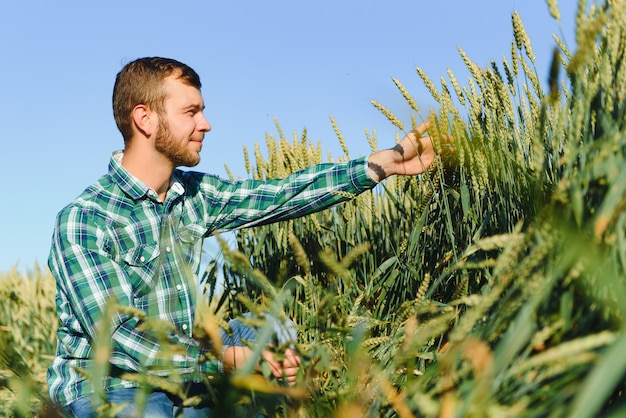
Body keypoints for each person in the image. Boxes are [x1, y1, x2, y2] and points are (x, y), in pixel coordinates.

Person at [47, 56, 437, 417]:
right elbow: (118, 337)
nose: (206, 124)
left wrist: (375, 166)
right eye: (191, 112)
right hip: (115, 385)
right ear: (145, 119)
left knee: (274, 327)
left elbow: (280, 195)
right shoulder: (85, 220)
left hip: (186, 371)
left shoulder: (194, 196)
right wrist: (227, 358)